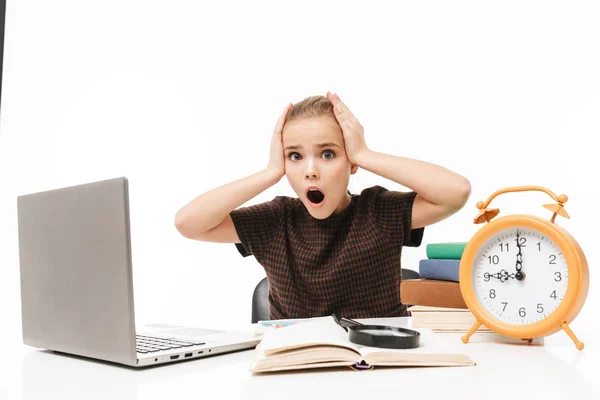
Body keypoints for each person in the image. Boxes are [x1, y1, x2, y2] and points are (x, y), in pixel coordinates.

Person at [175, 92, 471, 319]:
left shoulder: (378, 211)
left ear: (350, 162)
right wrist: (269, 173)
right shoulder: (276, 219)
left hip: (381, 372)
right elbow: (187, 223)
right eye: (295, 156)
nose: (311, 170)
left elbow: (455, 192)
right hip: (296, 378)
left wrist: (365, 154)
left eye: (328, 154)